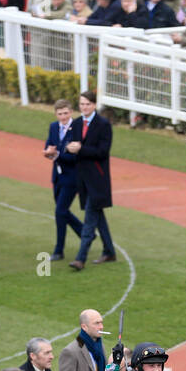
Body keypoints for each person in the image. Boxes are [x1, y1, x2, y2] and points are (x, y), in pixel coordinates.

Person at [67, 91, 116, 271]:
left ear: (94, 105)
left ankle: (81, 258)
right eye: (81, 104)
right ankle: (109, 251)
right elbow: (71, 145)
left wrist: (80, 149)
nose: (84, 107)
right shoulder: (77, 124)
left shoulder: (103, 125)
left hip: (97, 179)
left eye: (87, 104)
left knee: (89, 220)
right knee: (98, 217)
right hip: (83, 179)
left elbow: (102, 152)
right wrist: (69, 148)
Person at [44, 99, 84, 262]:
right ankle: (84, 233)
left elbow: (75, 157)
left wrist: (58, 155)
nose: (63, 117)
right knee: (62, 211)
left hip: (72, 176)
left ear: (71, 112)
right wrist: (48, 151)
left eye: (66, 113)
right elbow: (50, 145)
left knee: (60, 211)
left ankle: (58, 250)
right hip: (57, 175)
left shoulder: (77, 129)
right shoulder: (54, 127)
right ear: (56, 114)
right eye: (60, 114)